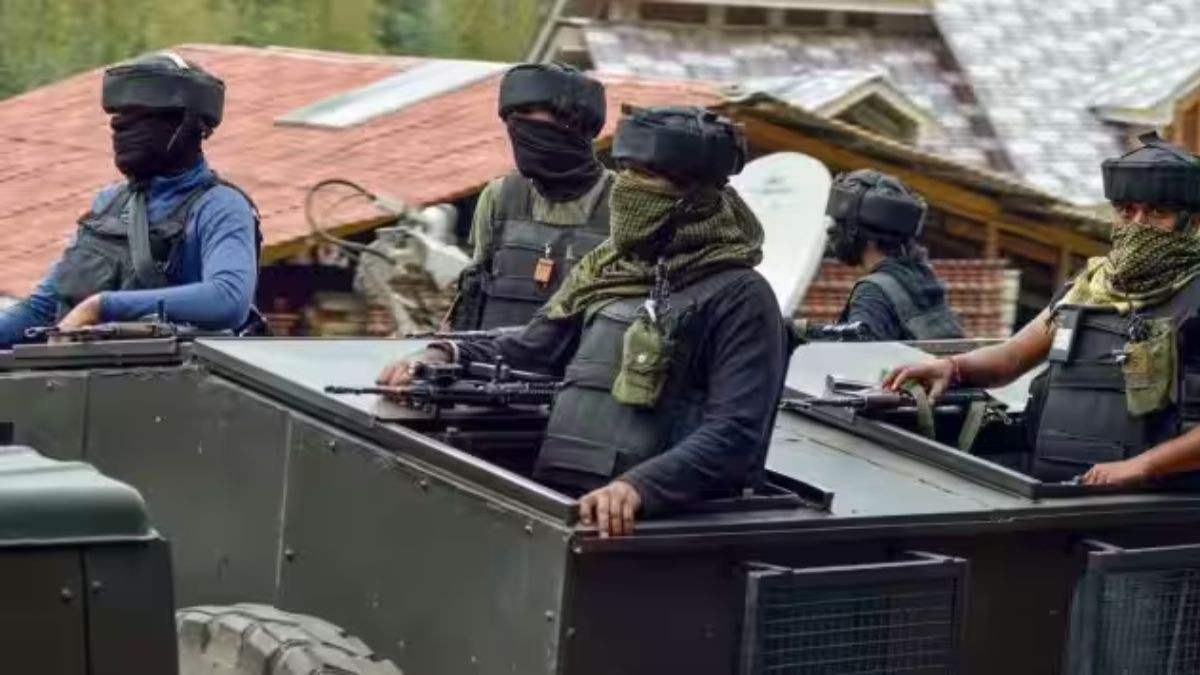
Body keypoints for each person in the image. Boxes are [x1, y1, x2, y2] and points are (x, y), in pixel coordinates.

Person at [381, 106, 791, 536]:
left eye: (647, 176)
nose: (627, 186)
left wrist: (641, 487)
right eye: (625, 170)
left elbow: (735, 433)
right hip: (561, 505)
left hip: (650, 527)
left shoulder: (739, 295)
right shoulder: (608, 267)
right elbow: (533, 348)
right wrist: (444, 353)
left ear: (696, 195)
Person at [885, 133, 1200, 487]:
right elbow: (1010, 359)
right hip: (1051, 494)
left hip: (1149, 506)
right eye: (1126, 210)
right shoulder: (1090, 285)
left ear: (1193, 221)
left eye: (1157, 212)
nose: (1138, 224)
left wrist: (1145, 465)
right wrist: (953, 367)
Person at [0, 51, 259, 347]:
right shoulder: (109, 204)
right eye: (119, 118)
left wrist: (102, 306)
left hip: (171, 373)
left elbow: (228, 299)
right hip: (85, 373)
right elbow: (42, 308)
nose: (120, 128)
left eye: (142, 118)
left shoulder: (220, 207)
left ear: (188, 124)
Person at [451, 62, 614, 330]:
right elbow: (474, 291)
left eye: (528, 113)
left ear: (571, 122)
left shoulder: (622, 204)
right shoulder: (500, 197)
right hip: (494, 353)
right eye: (511, 116)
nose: (517, 125)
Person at [825, 169, 964, 341]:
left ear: (863, 235)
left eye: (841, 224)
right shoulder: (921, 278)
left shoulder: (872, 292)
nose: (832, 230)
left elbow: (860, 356)